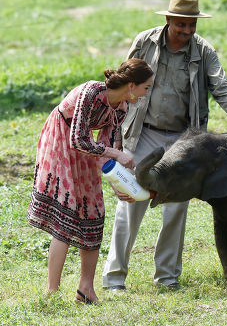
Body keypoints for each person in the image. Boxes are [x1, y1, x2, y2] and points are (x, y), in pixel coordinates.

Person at [102, 0, 227, 291]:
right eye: (181, 25)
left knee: (175, 209)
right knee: (130, 204)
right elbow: (127, 78)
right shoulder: (145, 41)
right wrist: (110, 117)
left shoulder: (203, 50)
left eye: (191, 24)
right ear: (168, 21)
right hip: (143, 131)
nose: (187, 30)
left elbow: (221, 85)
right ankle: (114, 279)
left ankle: (167, 277)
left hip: (182, 139)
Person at [28, 58, 154, 303]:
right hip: (61, 139)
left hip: (88, 148)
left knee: (94, 212)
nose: (146, 93)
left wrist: (118, 184)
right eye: (145, 87)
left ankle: (85, 290)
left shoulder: (122, 109)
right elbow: (77, 139)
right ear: (131, 85)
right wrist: (117, 154)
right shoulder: (92, 92)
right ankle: (51, 293)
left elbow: (106, 151)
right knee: (67, 211)